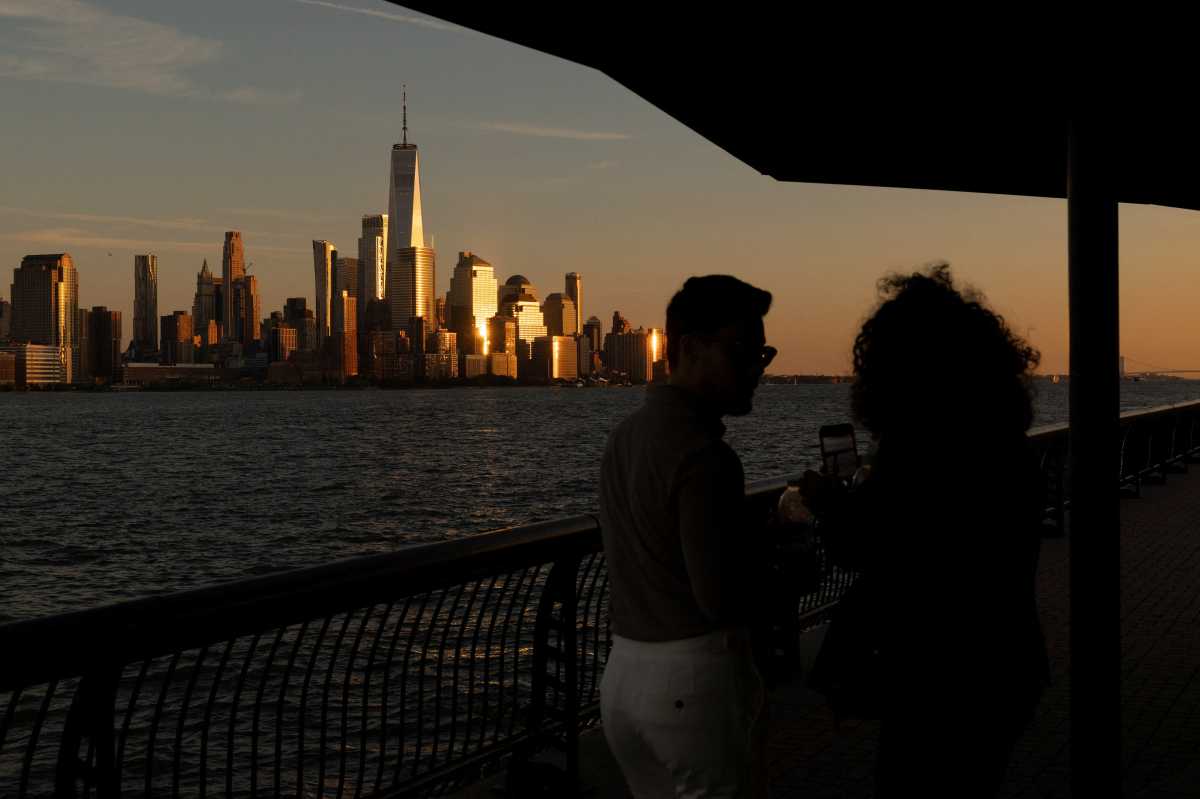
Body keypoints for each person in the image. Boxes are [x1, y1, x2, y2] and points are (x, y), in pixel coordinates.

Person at [806, 265, 1049, 798]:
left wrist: (828, 501)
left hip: (934, 680)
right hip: (1004, 668)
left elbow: (863, 546)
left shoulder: (920, 454)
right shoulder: (1007, 450)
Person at [598, 275, 776, 798]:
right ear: (689, 349)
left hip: (623, 677)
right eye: (743, 351)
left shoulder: (623, 438)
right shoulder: (706, 457)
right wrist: (780, 564)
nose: (757, 370)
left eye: (763, 353)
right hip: (693, 680)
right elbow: (718, 598)